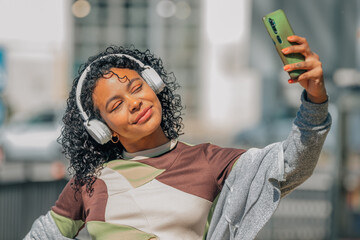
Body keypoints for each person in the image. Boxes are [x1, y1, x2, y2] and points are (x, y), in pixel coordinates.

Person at [24, 35, 331, 240]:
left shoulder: (209, 162)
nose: (134, 103)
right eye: (115, 105)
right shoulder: (88, 182)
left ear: (154, 87)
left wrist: (315, 97)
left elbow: (291, 164)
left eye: (136, 88)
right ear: (103, 130)